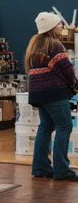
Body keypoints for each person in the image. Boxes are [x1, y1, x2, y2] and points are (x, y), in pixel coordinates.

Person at [25, 11, 78, 180]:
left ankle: (40, 168)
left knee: (45, 128)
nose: (62, 25)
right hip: (54, 93)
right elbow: (67, 70)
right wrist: (75, 85)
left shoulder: (35, 46)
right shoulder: (55, 46)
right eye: (58, 24)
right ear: (50, 27)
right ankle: (62, 170)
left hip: (39, 94)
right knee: (65, 126)